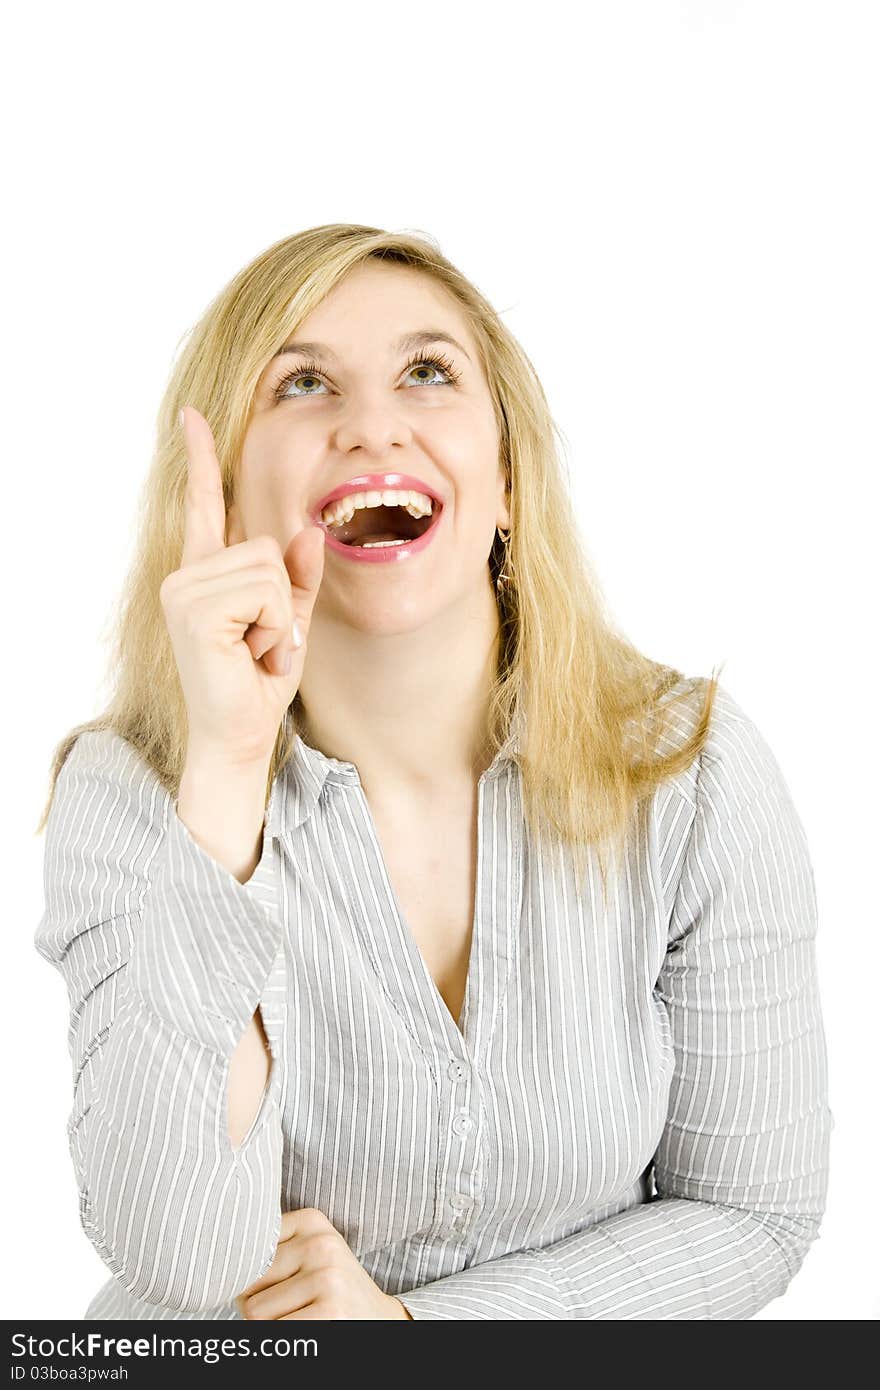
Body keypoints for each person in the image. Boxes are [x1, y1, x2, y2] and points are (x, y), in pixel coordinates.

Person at [33, 224, 833, 1320]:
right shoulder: (133, 797)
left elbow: (754, 1214)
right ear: (215, 494)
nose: (371, 424)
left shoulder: (690, 776)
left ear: (506, 480)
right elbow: (176, 1259)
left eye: (427, 372)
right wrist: (223, 774)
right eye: (303, 383)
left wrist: (420, 1334)